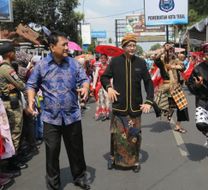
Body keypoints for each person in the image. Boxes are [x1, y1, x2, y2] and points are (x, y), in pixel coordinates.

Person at [26, 31, 90, 190]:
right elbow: (31, 85)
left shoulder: (74, 63)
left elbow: (84, 79)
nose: (67, 47)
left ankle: (80, 177)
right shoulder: (41, 65)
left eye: (67, 44)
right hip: (50, 118)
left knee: (76, 150)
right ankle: (53, 184)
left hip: (72, 116)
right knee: (52, 152)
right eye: (64, 45)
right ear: (52, 47)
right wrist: (30, 101)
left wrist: (85, 88)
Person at [101, 33, 154, 172]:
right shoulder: (115, 62)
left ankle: (134, 162)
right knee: (116, 135)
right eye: (129, 45)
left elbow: (149, 82)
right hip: (119, 107)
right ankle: (113, 158)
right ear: (123, 47)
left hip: (135, 108)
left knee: (134, 135)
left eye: (134, 45)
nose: (132, 48)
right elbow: (104, 77)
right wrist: (109, 88)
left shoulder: (141, 62)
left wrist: (149, 101)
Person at [0, 42, 27, 171]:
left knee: (8, 132)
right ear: (10, 53)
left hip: (5, 103)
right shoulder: (7, 69)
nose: (15, 54)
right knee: (15, 132)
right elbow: (21, 85)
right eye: (14, 52)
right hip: (12, 104)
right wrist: (16, 85)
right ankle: (12, 162)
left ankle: (9, 160)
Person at [154, 42, 189, 133]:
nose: (170, 51)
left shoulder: (176, 60)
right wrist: (164, 49)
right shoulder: (161, 61)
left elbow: (183, 67)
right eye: (168, 49)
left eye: (171, 49)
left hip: (176, 87)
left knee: (183, 107)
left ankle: (177, 126)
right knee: (160, 107)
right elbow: (156, 58)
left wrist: (173, 66)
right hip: (166, 87)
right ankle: (168, 111)